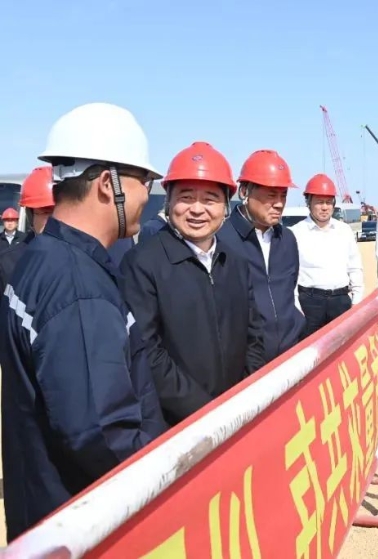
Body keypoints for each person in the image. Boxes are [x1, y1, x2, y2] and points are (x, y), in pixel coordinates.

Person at [0, 102, 166, 541]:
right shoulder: (78, 289)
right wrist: (168, 481)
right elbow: (102, 434)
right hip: (82, 525)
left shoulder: (43, 257)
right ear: (109, 184)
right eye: (145, 181)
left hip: (41, 508)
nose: (147, 196)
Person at [121, 141, 265, 426]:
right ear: (169, 202)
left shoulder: (236, 262)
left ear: (225, 206)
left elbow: (255, 334)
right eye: (186, 197)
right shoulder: (142, 264)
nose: (197, 210)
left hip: (238, 413)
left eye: (210, 200)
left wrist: (245, 396)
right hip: (178, 426)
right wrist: (205, 412)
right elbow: (148, 353)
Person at [218, 149, 305, 363]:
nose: (279, 203)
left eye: (283, 195)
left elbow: (290, 290)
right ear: (244, 191)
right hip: (246, 365)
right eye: (271, 195)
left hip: (290, 356)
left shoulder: (287, 239)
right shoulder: (221, 241)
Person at [290, 174, 364, 338]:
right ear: (308, 203)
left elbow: (355, 267)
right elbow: (291, 275)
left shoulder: (344, 231)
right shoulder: (295, 233)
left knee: (344, 348)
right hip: (309, 304)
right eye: (319, 202)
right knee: (308, 349)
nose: (324, 207)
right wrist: (297, 308)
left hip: (340, 302)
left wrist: (357, 301)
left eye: (328, 202)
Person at [0, 167, 54, 294]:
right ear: (30, 215)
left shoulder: (85, 257)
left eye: (60, 211)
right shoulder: (7, 263)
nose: (54, 219)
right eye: (46, 212)